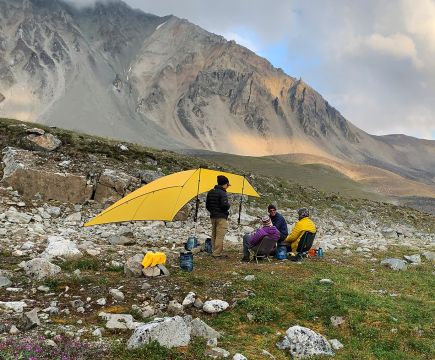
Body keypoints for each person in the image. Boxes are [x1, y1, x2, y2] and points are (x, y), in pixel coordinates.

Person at [206, 175, 231, 258]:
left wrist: (213, 211)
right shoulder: (222, 193)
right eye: (227, 185)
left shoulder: (210, 191)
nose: (227, 187)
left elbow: (207, 205)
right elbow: (224, 206)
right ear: (225, 184)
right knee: (220, 235)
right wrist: (228, 205)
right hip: (221, 217)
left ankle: (214, 251)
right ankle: (217, 253)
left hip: (213, 216)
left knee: (214, 234)